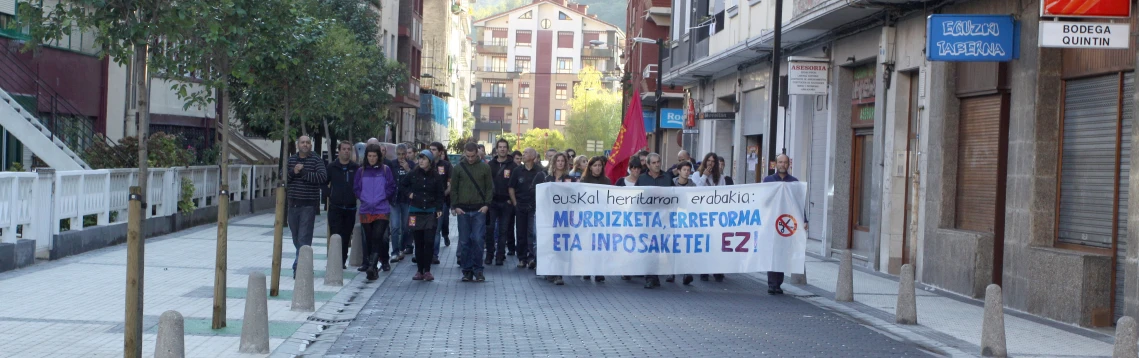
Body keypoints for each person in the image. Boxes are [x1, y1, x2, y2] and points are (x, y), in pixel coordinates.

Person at [451, 142, 493, 282]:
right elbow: (454, 188)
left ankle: (478, 269)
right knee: (464, 241)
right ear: (464, 153)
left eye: (473, 156)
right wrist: (455, 206)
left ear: (478, 153)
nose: (470, 159)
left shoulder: (484, 167)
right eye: (468, 156)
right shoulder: (458, 168)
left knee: (478, 240)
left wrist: (486, 205)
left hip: (479, 209)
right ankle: (467, 270)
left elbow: (489, 188)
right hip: (462, 209)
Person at [402, 150, 446, 281]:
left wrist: (439, 208)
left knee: (429, 241)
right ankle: (419, 270)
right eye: (420, 158)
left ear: (430, 161)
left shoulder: (436, 176)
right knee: (419, 241)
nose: (421, 161)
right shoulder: (413, 173)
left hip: (430, 211)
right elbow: (402, 185)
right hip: (415, 211)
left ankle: (427, 270)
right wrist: (410, 194)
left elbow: (440, 194)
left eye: (424, 158)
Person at [354, 144, 396, 280]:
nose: (372, 159)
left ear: (379, 156)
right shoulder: (361, 171)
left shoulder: (385, 170)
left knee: (378, 237)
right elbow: (356, 188)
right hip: (366, 209)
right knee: (370, 238)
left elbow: (391, 186)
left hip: (381, 209)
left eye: (374, 156)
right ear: (366, 156)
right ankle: (377, 262)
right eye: (369, 156)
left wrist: (382, 196)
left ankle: (372, 266)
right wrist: (364, 198)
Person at [287, 135, 328, 274]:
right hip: (293, 204)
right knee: (296, 236)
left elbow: (322, 177)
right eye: (302, 142)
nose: (305, 144)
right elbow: (283, 178)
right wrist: (294, 172)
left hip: (308, 205)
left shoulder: (316, 159)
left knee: (304, 236)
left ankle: (299, 267)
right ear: (298, 144)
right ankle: (303, 261)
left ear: (311, 145)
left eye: (308, 142)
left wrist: (304, 172)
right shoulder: (292, 159)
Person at [762, 153, 801, 295]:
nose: (782, 165)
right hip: (772, 222)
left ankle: (778, 283)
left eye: (785, 162)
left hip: (787, 223)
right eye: (780, 162)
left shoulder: (794, 182)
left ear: (788, 164)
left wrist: (804, 220)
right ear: (775, 164)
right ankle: (772, 284)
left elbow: (799, 203)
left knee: (783, 253)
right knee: (773, 252)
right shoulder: (768, 180)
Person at [636, 153, 672, 289]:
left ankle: (659, 275)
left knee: (663, 248)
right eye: (654, 163)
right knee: (650, 250)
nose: (657, 164)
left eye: (659, 162)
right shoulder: (642, 179)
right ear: (648, 165)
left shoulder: (667, 178)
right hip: (648, 221)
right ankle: (650, 277)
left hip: (664, 220)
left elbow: (674, 197)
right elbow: (636, 199)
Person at [509, 148, 546, 270]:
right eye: (523, 153)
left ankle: (531, 258)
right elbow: (511, 188)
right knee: (520, 232)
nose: (523, 155)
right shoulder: (517, 170)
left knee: (532, 232)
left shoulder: (540, 172)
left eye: (525, 153)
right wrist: (515, 203)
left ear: (533, 156)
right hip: (520, 205)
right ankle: (521, 258)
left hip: (534, 207)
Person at [326, 141, 359, 270]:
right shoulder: (332, 167)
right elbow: (323, 183)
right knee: (335, 235)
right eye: (344, 149)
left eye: (348, 149)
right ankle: (333, 261)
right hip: (335, 207)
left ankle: (342, 261)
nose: (346, 151)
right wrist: (330, 193)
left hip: (350, 208)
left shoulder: (355, 168)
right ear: (339, 151)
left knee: (346, 236)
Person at [543, 152, 574, 285]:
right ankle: (550, 271)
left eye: (563, 161)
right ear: (554, 163)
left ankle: (558, 274)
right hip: (550, 215)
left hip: (563, 216)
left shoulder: (569, 179)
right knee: (549, 244)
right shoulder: (548, 179)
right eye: (558, 161)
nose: (560, 163)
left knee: (560, 245)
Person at [486, 139, 517, 264]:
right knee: (490, 229)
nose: (502, 149)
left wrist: (511, 199)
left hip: (506, 203)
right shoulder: (490, 165)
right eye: (500, 147)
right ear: (496, 149)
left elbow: (516, 186)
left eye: (505, 147)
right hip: (492, 202)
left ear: (508, 149)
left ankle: (500, 255)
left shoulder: (513, 166)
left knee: (503, 230)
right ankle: (489, 254)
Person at [578, 156, 609, 283]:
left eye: (600, 165)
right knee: (587, 244)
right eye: (595, 165)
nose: (598, 168)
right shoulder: (584, 180)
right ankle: (586, 270)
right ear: (590, 167)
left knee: (599, 245)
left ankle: (599, 272)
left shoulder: (606, 181)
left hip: (601, 218)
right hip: (587, 217)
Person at [389, 143, 415, 263]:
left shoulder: (411, 165)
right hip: (394, 200)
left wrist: (408, 170)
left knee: (406, 227)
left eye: (403, 154)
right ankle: (394, 252)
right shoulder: (391, 165)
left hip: (406, 200)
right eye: (399, 154)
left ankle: (401, 248)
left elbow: (416, 180)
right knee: (394, 227)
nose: (401, 157)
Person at [428, 142, 452, 264]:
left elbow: (450, 184)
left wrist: (442, 195)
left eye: (434, 149)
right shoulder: (424, 164)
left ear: (440, 152)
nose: (431, 151)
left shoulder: (446, 165)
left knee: (436, 229)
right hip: (426, 202)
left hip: (441, 203)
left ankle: (434, 255)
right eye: (430, 149)